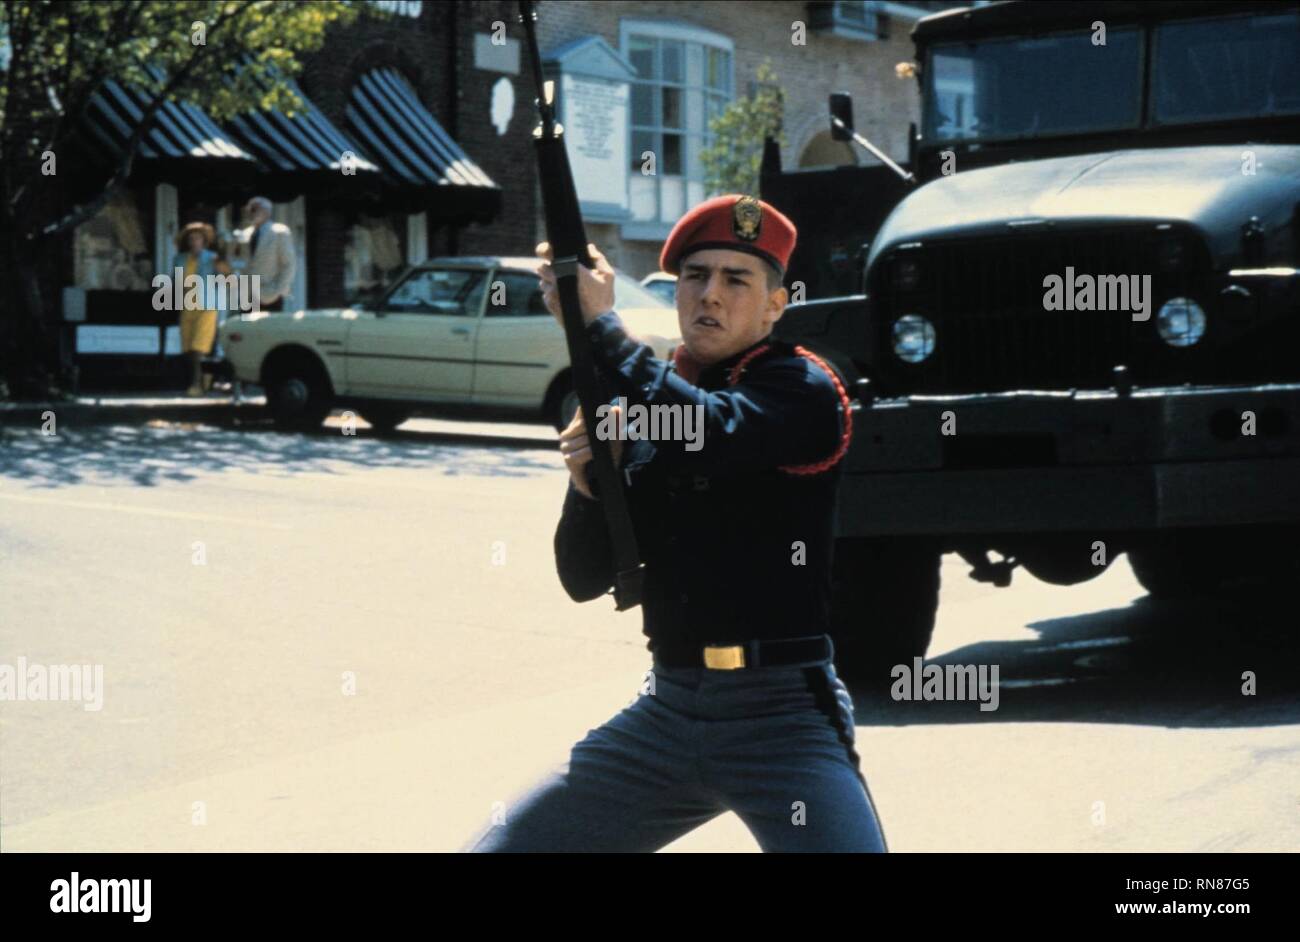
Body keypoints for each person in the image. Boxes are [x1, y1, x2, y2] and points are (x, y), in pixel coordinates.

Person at [462, 194, 886, 853]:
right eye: (695, 276)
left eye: (736, 279)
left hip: (783, 721)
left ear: (776, 305)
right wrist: (591, 483)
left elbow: (712, 431)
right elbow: (584, 576)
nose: (709, 295)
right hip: (666, 713)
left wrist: (601, 329)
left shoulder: (803, 387)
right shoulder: (652, 395)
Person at [172, 222, 231, 397]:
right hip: (187, 306)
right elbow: (175, 281)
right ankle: (205, 380)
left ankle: (196, 385)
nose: (194, 241)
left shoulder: (212, 258)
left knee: (199, 347)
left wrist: (222, 260)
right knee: (189, 349)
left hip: (207, 306)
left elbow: (227, 276)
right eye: (191, 239)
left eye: (197, 238)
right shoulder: (180, 259)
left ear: (204, 241)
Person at [236, 196, 296, 312]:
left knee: (267, 329)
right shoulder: (245, 234)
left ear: (267, 212)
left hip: (269, 295)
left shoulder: (279, 232)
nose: (251, 213)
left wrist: (277, 290)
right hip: (247, 295)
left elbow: (289, 264)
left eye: (255, 209)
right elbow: (244, 264)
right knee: (246, 329)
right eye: (249, 210)